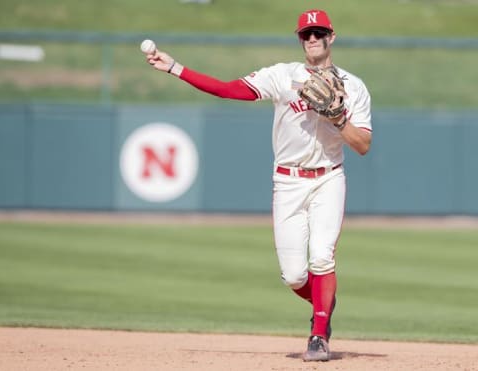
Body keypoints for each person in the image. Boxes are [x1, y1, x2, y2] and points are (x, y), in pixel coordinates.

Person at [145, 9, 372, 362]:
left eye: (319, 33)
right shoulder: (283, 76)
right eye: (306, 34)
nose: (313, 39)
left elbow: (362, 145)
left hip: (328, 177)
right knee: (295, 276)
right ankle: (324, 301)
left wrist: (338, 117)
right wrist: (176, 68)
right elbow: (227, 89)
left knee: (322, 256)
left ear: (332, 36)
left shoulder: (353, 86)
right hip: (288, 181)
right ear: (299, 39)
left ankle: (318, 335)